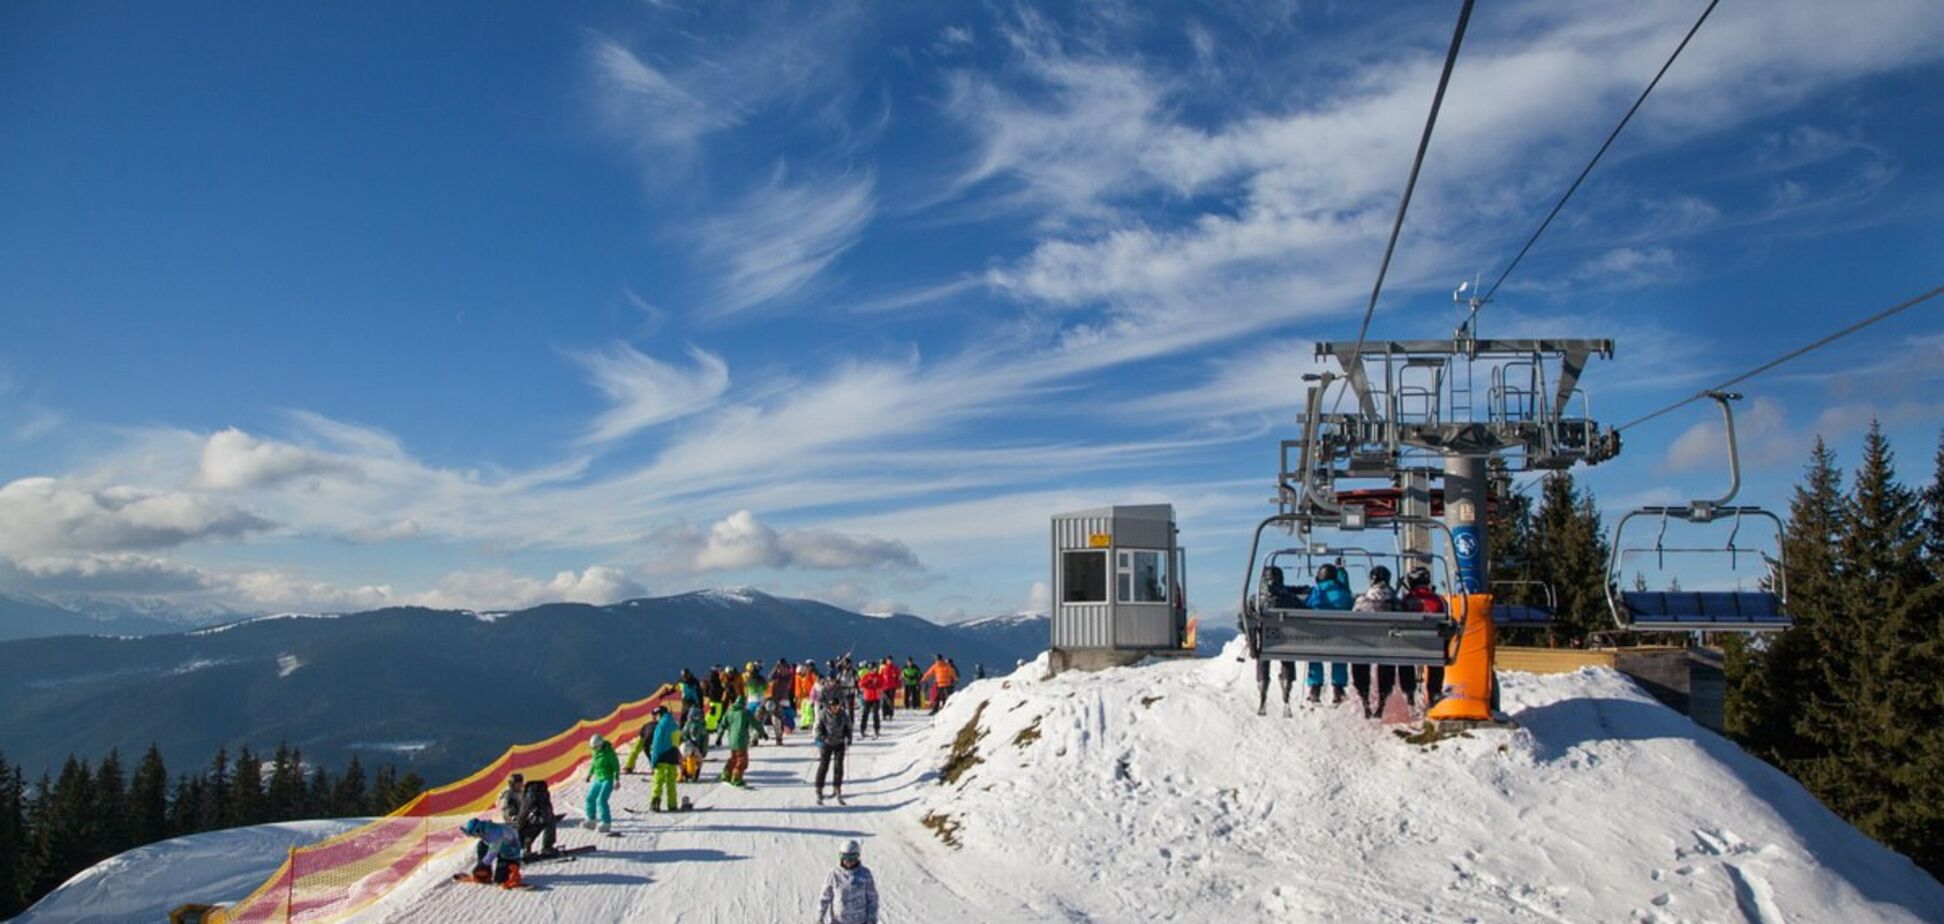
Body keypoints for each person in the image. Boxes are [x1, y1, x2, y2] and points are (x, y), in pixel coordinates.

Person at [1351, 565, 1398, 717]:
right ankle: (1382, 701)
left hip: (1365, 644)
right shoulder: (1395, 602)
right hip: (1388, 645)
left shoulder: (1362, 600)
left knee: (1359, 658)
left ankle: (1365, 699)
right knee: (1388, 659)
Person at [1305, 564, 1354, 704]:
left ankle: (1315, 687)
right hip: (1341, 637)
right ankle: (1338, 689)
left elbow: (1308, 606)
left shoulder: (1317, 592)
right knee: (1339, 653)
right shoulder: (1344, 594)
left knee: (1314, 653)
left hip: (1319, 636)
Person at [1402, 566, 1445, 709]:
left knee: (1404, 659)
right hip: (1433, 648)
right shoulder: (1438, 600)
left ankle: (1408, 693)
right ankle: (1434, 692)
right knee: (1437, 659)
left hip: (1410, 646)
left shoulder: (1407, 600)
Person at [817, 839, 879, 924]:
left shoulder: (865, 874)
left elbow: (872, 900)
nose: (849, 861)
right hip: (838, 921)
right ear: (840, 857)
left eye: (852, 857)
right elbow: (824, 898)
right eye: (845, 857)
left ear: (858, 856)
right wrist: (820, 917)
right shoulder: (834, 875)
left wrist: (871, 920)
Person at [460, 817, 524, 888]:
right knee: (481, 845)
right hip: (501, 849)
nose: (475, 837)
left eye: (474, 834)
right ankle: (485, 873)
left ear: (478, 830)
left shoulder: (495, 833)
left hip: (510, 853)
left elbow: (493, 851)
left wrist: (483, 863)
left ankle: (514, 872)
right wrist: (482, 865)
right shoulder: (485, 829)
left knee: (500, 880)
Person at [814, 691, 853, 805]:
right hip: (827, 743)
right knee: (824, 766)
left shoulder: (843, 715)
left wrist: (848, 738)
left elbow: (848, 728)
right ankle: (819, 789)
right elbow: (819, 728)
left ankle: (837, 788)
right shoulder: (824, 714)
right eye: (833, 706)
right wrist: (820, 737)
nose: (835, 708)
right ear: (829, 706)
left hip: (840, 743)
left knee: (838, 767)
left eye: (837, 706)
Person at [714, 694, 754, 787]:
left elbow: (722, 725)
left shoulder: (729, 711)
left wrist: (719, 737)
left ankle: (726, 773)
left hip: (731, 740)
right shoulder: (745, 712)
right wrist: (762, 732)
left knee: (733, 758)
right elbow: (755, 723)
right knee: (742, 759)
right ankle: (736, 778)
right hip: (741, 740)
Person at [582, 734, 618, 832]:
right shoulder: (595, 752)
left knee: (601, 800)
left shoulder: (609, 753)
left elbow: (616, 767)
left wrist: (616, 780)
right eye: (593, 748)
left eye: (596, 747)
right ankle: (591, 819)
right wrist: (589, 774)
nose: (594, 749)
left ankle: (606, 822)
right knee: (590, 798)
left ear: (600, 745)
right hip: (598, 779)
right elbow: (594, 764)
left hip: (607, 779)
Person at [648, 705, 680, 812]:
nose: (655, 718)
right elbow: (677, 741)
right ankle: (672, 804)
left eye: (656, 715)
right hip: (673, 755)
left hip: (662, 756)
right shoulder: (674, 724)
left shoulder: (661, 725)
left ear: (660, 714)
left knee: (658, 780)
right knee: (671, 781)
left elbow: (656, 745)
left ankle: (655, 803)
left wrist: (653, 762)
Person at [517, 777, 559, 856]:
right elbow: (548, 806)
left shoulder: (530, 793)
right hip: (544, 816)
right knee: (549, 822)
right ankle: (547, 847)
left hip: (536, 818)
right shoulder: (543, 791)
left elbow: (524, 810)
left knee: (528, 829)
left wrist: (519, 824)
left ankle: (526, 849)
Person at [680, 701, 709, 782]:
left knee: (682, 759)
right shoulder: (702, 727)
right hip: (696, 748)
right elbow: (705, 741)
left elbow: (682, 735)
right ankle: (696, 774)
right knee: (699, 761)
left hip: (686, 746)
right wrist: (704, 752)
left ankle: (682, 773)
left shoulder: (687, 724)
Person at [858, 662, 885, 738]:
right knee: (865, 714)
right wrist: (867, 683)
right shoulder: (866, 676)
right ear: (870, 669)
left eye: (875, 668)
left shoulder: (879, 676)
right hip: (867, 697)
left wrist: (877, 685)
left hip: (876, 697)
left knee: (875, 714)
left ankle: (877, 729)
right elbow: (860, 684)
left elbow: (883, 684)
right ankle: (862, 729)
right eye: (872, 669)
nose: (874, 670)